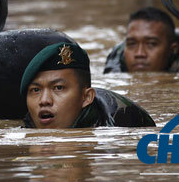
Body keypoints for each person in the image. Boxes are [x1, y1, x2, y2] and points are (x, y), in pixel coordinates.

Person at [20, 42, 155, 128]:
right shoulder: (25, 126)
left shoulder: (123, 121)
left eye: (58, 88)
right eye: (36, 90)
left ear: (86, 97)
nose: (44, 101)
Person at [103, 7, 179, 74]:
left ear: (173, 49)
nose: (139, 54)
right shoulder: (115, 64)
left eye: (151, 44)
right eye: (132, 44)